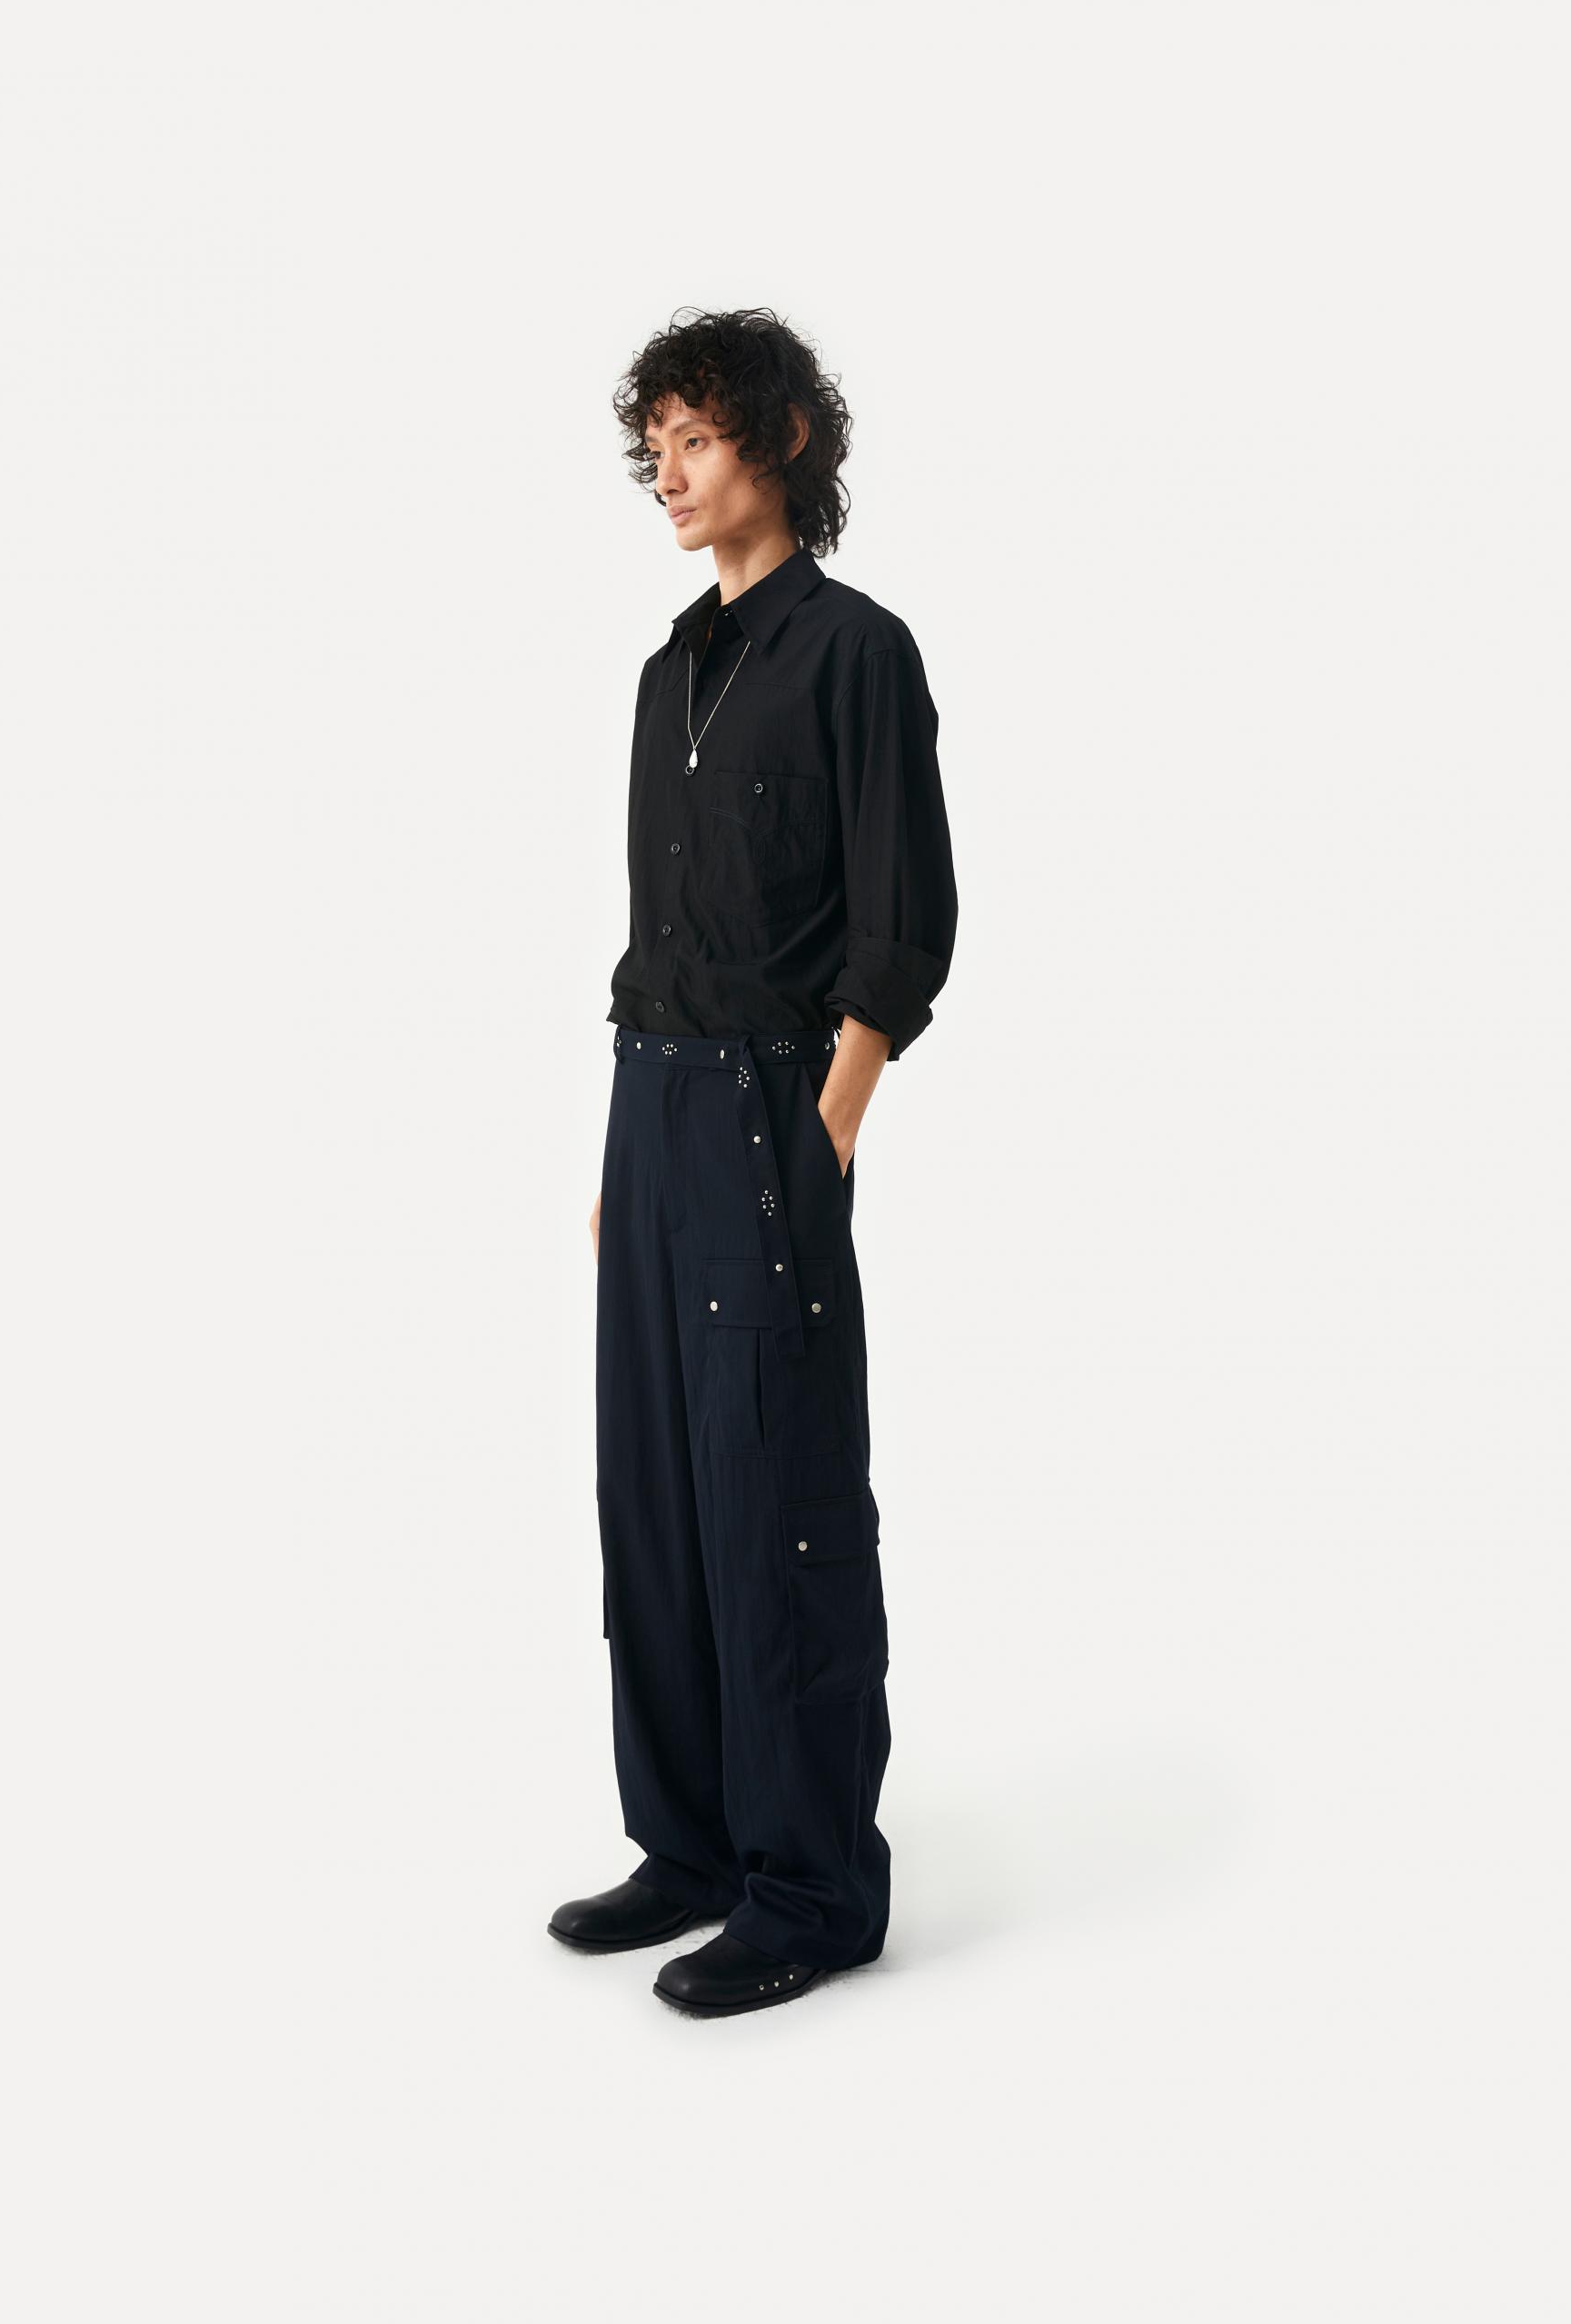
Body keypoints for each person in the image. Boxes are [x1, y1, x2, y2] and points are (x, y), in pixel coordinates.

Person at [549, 307, 959, 2016]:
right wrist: (623, 1152)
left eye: (697, 440)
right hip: (651, 1106)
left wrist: (833, 1114)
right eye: (654, 446)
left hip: (768, 1107)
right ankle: (695, 1844)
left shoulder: (856, 653)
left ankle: (812, 1888)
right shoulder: (672, 673)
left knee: (775, 1494)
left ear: (782, 440)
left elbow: (903, 908)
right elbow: (667, 925)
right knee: (653, 1491)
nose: (668, 472)